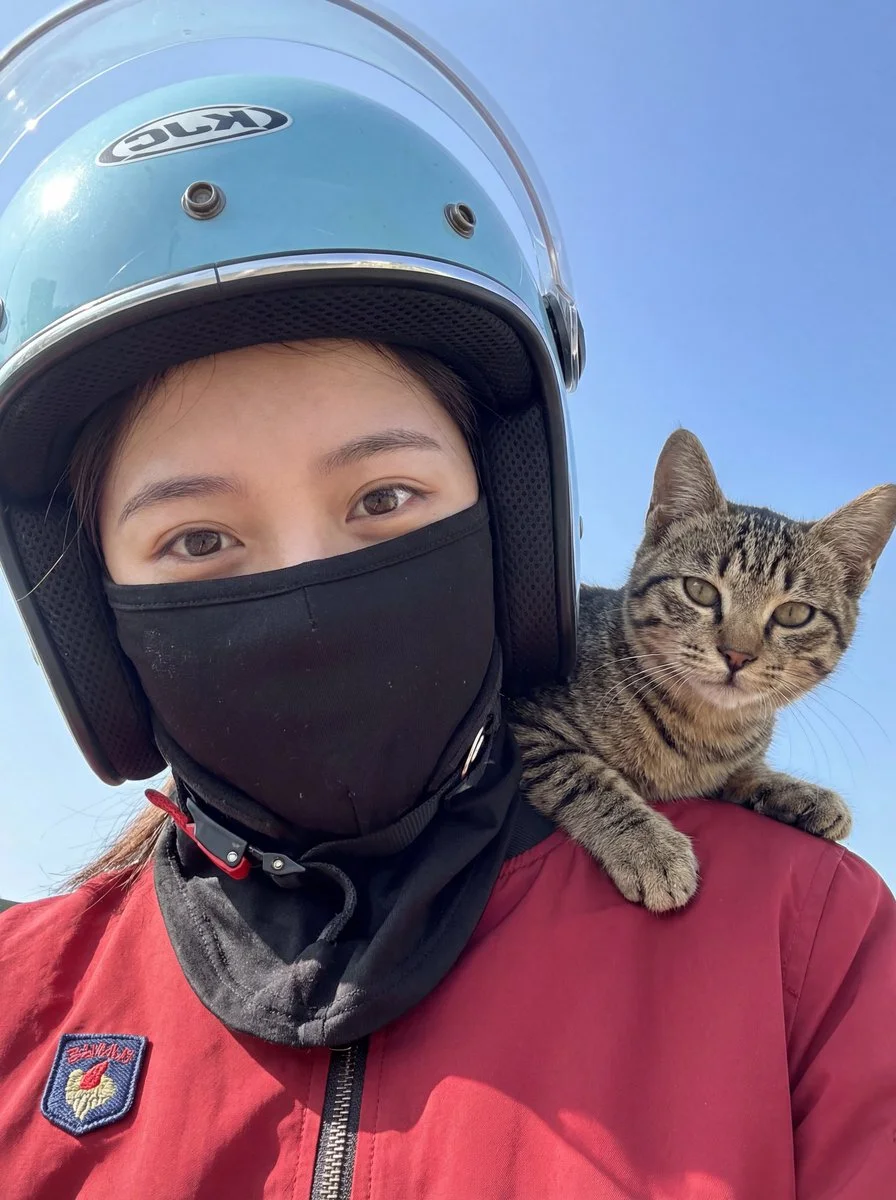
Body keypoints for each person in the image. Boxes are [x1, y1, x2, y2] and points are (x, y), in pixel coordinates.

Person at [0, 2, 893, 1197]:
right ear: (83, 624)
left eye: (383, 501)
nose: (301, 591)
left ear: (516, 538)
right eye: (198, 535)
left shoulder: (812, 946)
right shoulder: (20, 1007)